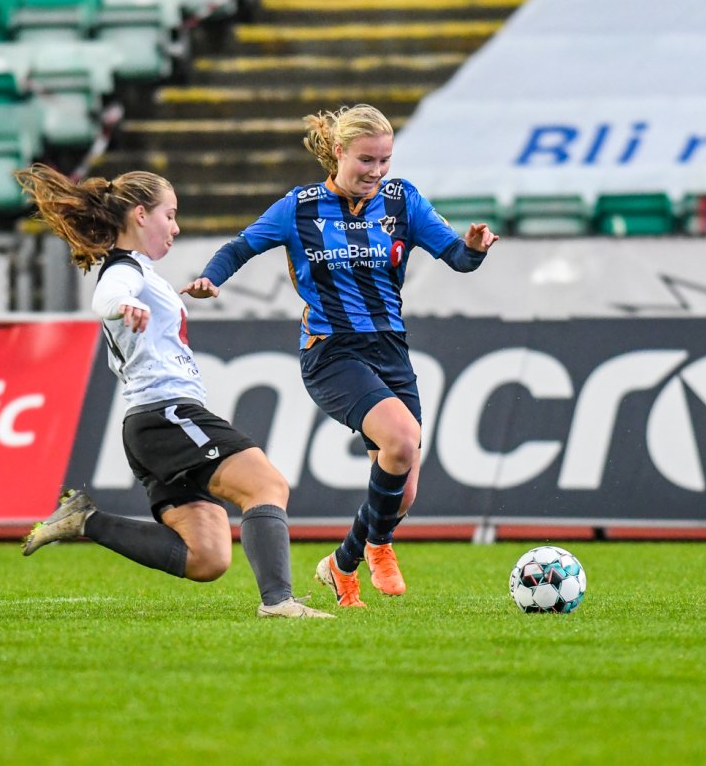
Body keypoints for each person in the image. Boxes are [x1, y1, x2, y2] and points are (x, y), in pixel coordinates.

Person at [181, 104, 500, 607]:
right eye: (366, 160)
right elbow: (241, 247)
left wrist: (474, 248)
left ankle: (341, 565)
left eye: (384, 161)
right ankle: (378, 546)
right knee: (401, 439)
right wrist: (209, 279)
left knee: (402, 490)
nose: (376, 172)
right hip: (331, 351)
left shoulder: (403, 201)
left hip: (390, 348)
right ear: (338, 152)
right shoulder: (300, 207)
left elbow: (457, 259)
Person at [13, 163, 332, 620]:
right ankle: (278, 602)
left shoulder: (141, 271)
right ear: (140, 214)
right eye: (170, 214)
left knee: (207, 557)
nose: (175, 227)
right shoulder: (124, 271)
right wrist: (123, 303)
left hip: (151, 425)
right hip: (166, 415)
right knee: (267, 485)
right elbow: (106, 296)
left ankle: (85, 520)